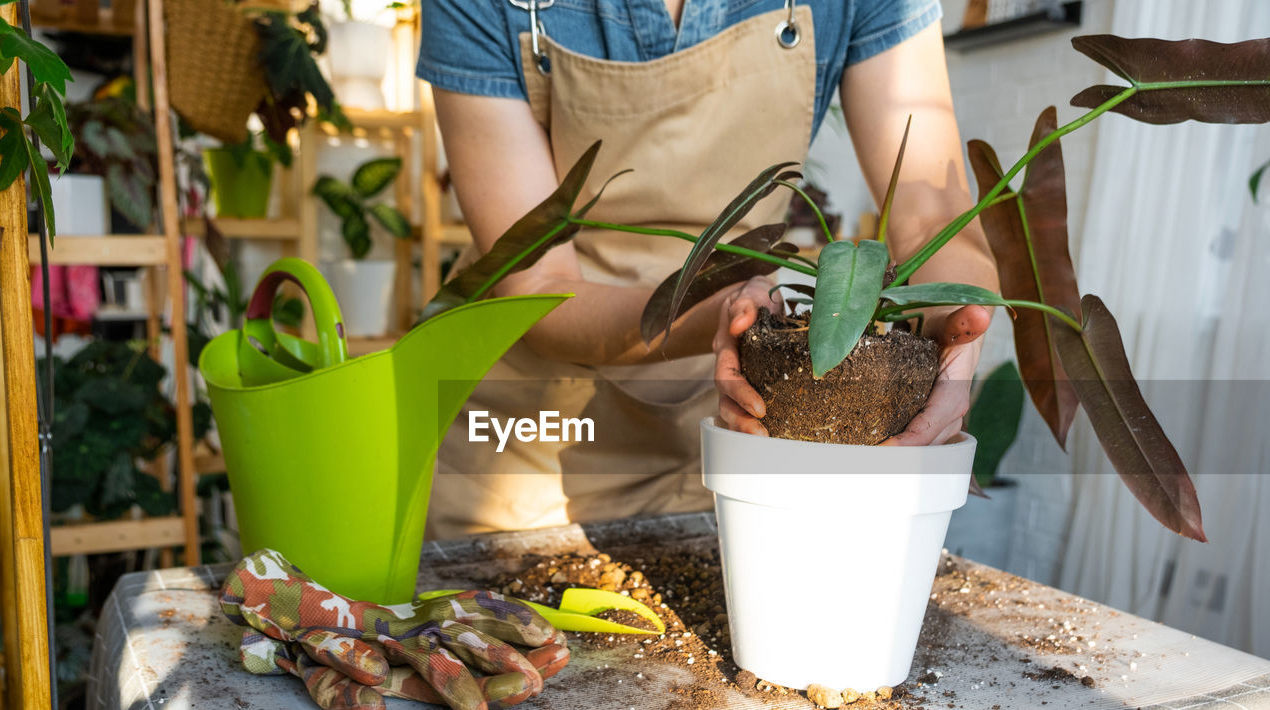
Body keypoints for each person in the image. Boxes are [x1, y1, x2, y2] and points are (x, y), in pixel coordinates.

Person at [416, 0, 997, 539]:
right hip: (540, 438)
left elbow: (932, 216)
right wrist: (725, 312)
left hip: (742, 425)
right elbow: (538, 285)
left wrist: (954, 324)